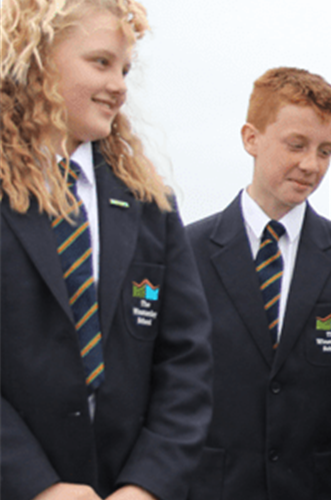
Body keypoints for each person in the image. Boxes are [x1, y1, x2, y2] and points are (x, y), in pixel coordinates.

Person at [0, 1, 213, 499]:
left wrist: (146, 484)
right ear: (37, 60)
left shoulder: (149, 203)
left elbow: (186, 361)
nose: (119, 86)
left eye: (125, 70)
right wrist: (39, 486)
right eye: (100, 62)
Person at [183, 67, 331, 500]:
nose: (311, 165)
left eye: (325, 151)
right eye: (297, 145)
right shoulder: (188, 252)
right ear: (251, 138)